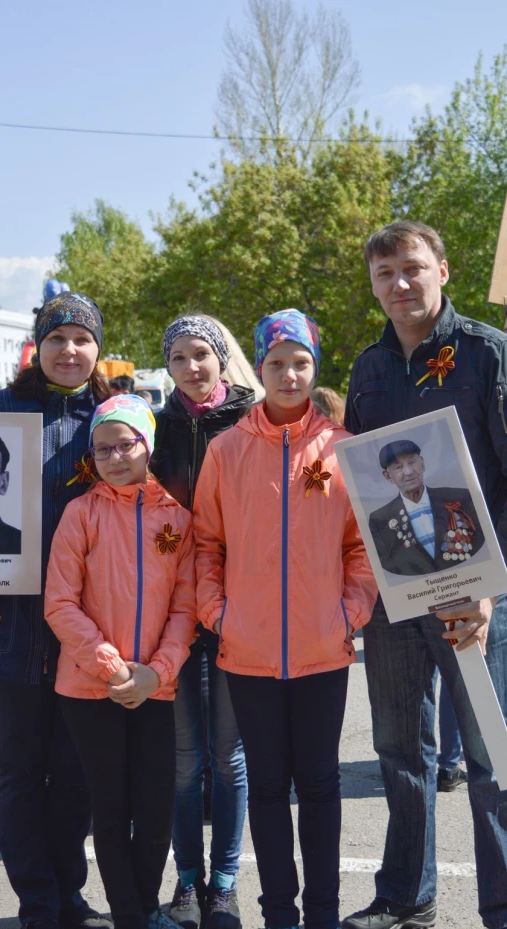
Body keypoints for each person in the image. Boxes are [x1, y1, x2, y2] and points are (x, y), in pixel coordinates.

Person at [343, 221, 507, 929]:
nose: (399, 285)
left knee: (489, 758)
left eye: (412, 269)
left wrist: (493, 590)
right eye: (385, 275)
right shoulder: (368, 369)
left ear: (444, 269)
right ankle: (408, 895)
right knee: (399, 747)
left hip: (475, 594)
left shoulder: (488, 355)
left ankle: (501, 904)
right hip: (396, 592)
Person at [194, 309, 377, 929]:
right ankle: (279, 914)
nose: (290, 374)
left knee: (321, 786)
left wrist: (348, 612)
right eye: (277, 363)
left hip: (324, 649)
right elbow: (204, 544)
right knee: (267, 788)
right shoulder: (226, 450)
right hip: (246, 652)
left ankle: (322, 913)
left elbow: (361, 547)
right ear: (260, 367)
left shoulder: (343, 447)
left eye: (301, 362)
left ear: (314, 368)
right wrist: (220, 613)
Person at [0, 292, 110, 929]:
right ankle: (37, 905)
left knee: (76, 777)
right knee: (17, 773)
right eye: (58, 338)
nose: (70, 351)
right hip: (6, 630)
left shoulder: (113, 420)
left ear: (98, 349)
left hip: (86, 630)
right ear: (39, 347)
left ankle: (70, 895)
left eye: (82, 339)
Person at [45, 394, 196, 929]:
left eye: (125, 444)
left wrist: (157, 671)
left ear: (147, 445)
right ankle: (130, 916)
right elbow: (60, 604)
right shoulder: (80, 513)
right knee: (109, 811)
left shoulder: (177, 519)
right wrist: (114, 669)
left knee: (155, 811)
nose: (114, 457)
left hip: (155, 687)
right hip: (90, 690)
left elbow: (185, 606)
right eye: (102, 448)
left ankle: (147, 904)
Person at [151, 315, 255, 929]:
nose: (192, 367)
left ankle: (226, 881)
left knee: (229, 753)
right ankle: (186, 883)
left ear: (220, 357)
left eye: (201, 354)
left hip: (238, 605)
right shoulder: (156, 427)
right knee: (185, 757)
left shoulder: (251, 418)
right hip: (171, 608)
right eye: (179, 358)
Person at [368, 439, 483, 576]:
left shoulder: (460, 497)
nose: (409, 471)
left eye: (412, 462)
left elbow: (481, 546)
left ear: (422, 463)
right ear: (388, 476)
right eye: (398, 467)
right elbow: (389, 570)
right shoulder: (380, 519)